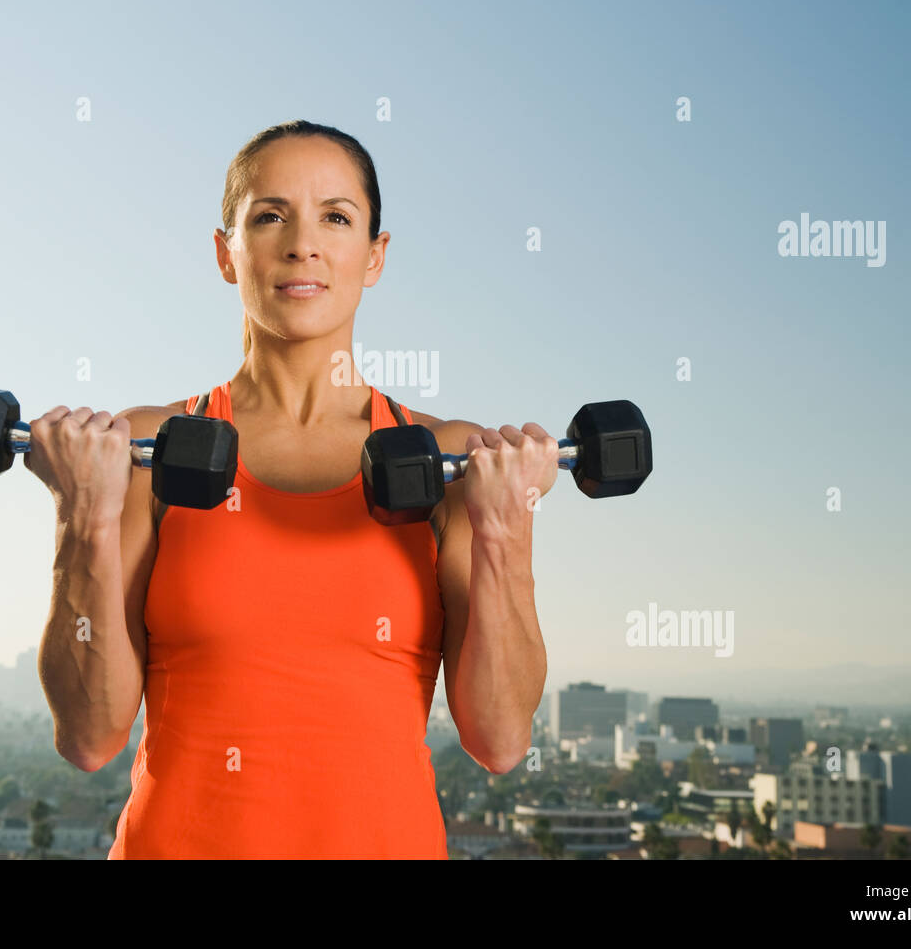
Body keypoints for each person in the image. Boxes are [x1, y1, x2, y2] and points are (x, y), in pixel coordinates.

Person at [27, 120, 555, 859]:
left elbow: (499, 742)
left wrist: (506, 537)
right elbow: (89, 738)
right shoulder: (147, 451)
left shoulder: (449, 465)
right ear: (226, 252)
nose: (302, 244)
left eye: (336, 218)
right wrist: (81, 519)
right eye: (269, 216)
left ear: (374, 256)